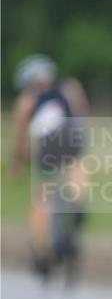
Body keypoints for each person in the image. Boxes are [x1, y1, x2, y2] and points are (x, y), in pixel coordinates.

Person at [10, 54, 89, 280]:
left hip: (47, 148)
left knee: (42, 200)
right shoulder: (69, 88)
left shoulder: (28, 99)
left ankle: (40, 252)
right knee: (75, 172)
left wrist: (18, 161)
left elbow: (21, 136)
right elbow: (81, 113)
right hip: (71, 140)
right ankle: (77, 202)